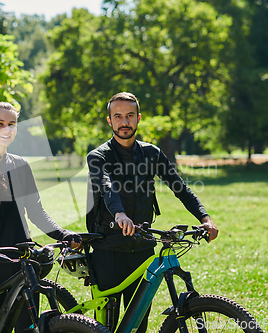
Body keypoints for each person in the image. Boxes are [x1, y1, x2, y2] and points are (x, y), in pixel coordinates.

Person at [86, 92, 218, 333]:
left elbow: (180, 188)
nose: (124, 122)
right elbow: (107, 187)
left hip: (143, 249)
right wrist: (119, 214)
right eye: (118, 116)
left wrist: (205, 218)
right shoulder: (98, 156)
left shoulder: (151, 154)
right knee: (105, 327)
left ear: (138, 118)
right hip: (109, 250)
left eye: (129, 116)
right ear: (109, 121)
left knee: (139, 325)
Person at [0, 102, 81, 333]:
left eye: (12, 124)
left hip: (21, 261)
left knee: (28, 329)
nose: (6, 129)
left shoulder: (21, 165)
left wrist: (63, 234)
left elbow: (36, 211)